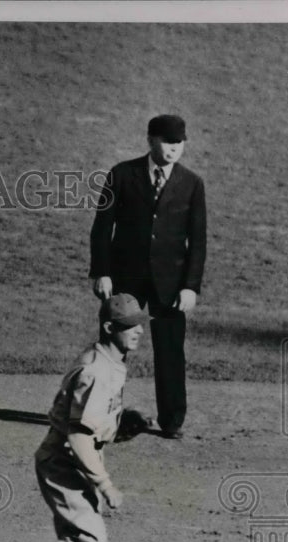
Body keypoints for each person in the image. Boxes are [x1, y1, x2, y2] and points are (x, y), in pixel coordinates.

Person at [0, 294, 150, 542]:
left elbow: (94, 428)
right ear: (110, 328)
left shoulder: (112, 360)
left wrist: (121, 428)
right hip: (63, 464)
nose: (139, 331)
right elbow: (79, 437)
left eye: (141, 323)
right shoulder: (96, 370)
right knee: (90, 539)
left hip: (76, 462)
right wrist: (105, 484)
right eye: (131, 326)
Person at [89, 114, 206, 439]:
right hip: (125, 278)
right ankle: (103, 415)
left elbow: (197, 241)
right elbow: (102, 228)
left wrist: (190, 286)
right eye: (167, 142)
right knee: (114, 347)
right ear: (150, 140)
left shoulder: (192, 183)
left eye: (179, 143)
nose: (173, 149)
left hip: (171, 284)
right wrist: (101, 271)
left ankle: (172, 421)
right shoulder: (121, 174)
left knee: (170, 350)